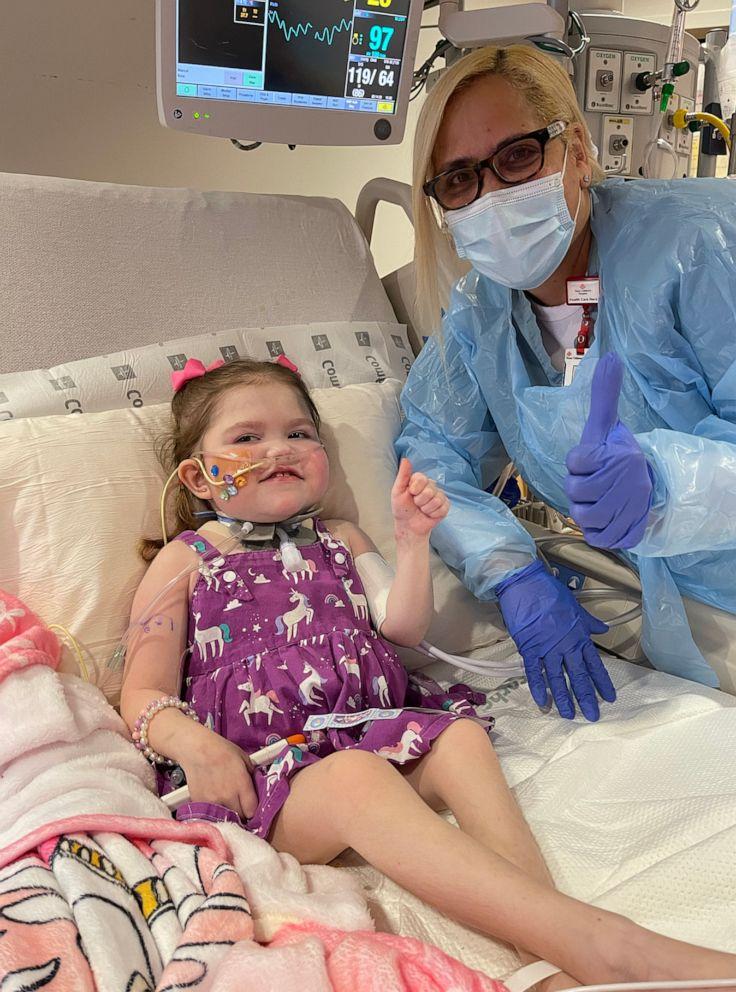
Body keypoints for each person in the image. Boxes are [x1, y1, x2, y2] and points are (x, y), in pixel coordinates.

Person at [121, 357, 736, 990]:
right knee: (357, 779)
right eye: (248, 438)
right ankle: (607, 947)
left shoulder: (341, 538)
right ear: (197, 476)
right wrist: (200, 748)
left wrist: (412, 544)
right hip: (264, 774)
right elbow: (142, 691)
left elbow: (403, 628)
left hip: (369, 729)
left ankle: (544, 957)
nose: (280, 448)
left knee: (459, 735)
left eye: (300, 433)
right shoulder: (186, 560)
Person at [397, 43, 736, 722]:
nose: (492, 195)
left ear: (577, 152)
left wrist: (670, 485)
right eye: (460, 179)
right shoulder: (479, 316)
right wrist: (511, 571)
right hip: (660, 603)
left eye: (519, 156)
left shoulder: (701, 245)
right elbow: (429, 459)